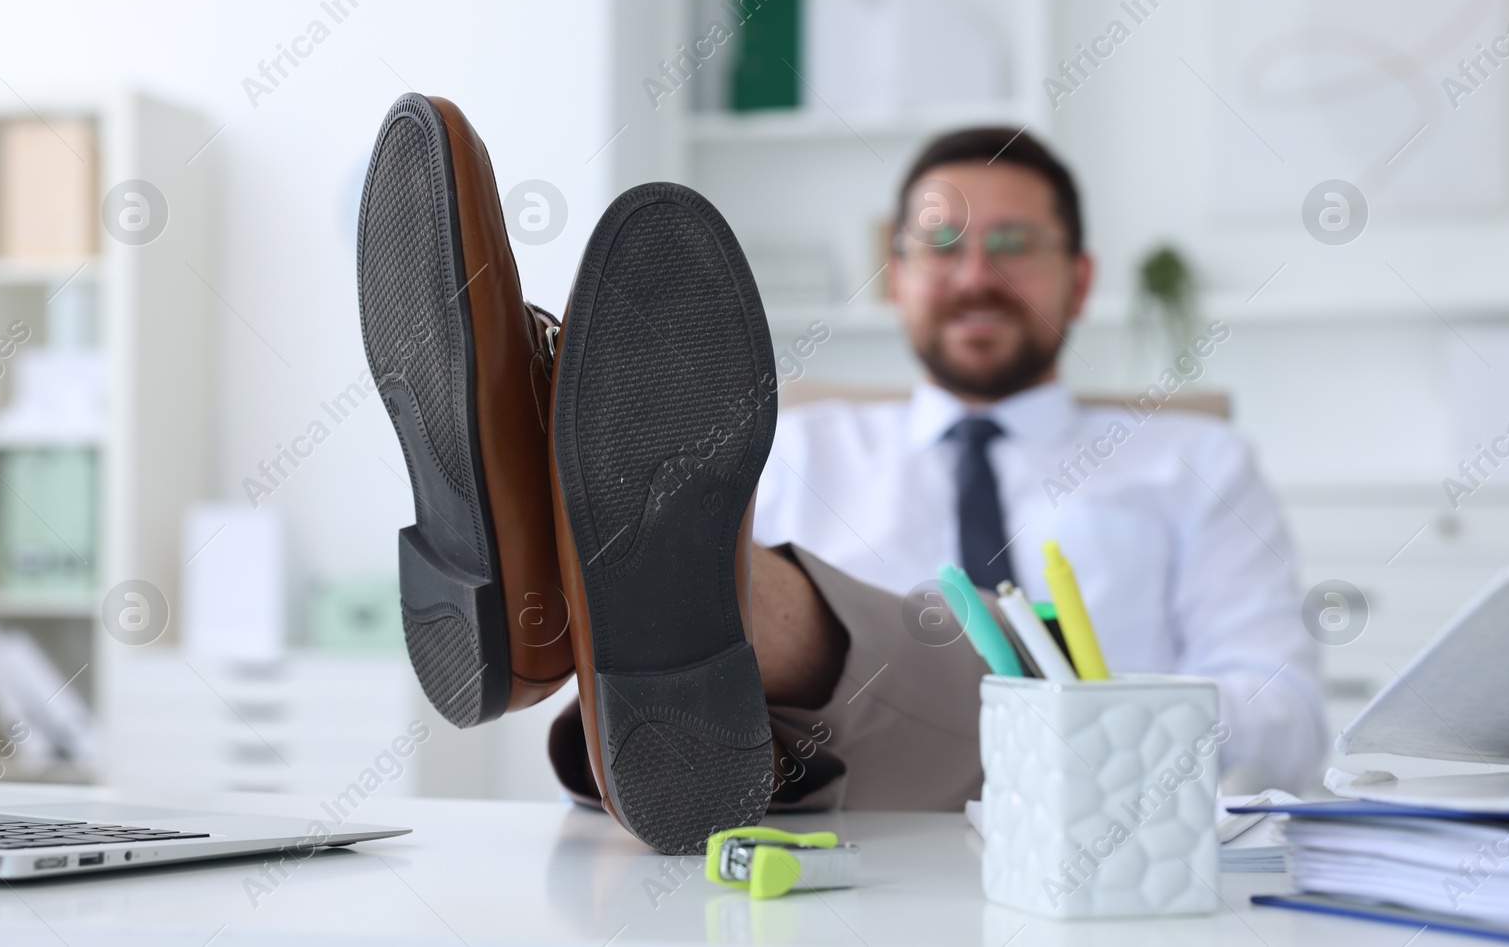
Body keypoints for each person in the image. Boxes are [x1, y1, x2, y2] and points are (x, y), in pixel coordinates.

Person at [356, 97, 1323, 858]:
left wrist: (1088, 722)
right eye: (939, 246)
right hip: (803, 804)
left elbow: (1285, 719)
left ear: (1079, 278)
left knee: (950, 665)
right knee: (688, 630)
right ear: (895, 275)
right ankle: (562, 529)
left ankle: (529, 517)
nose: (973, 273)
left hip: (1091, 809)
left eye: (1015, 245)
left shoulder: (1191, 460)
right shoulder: (809, 442)